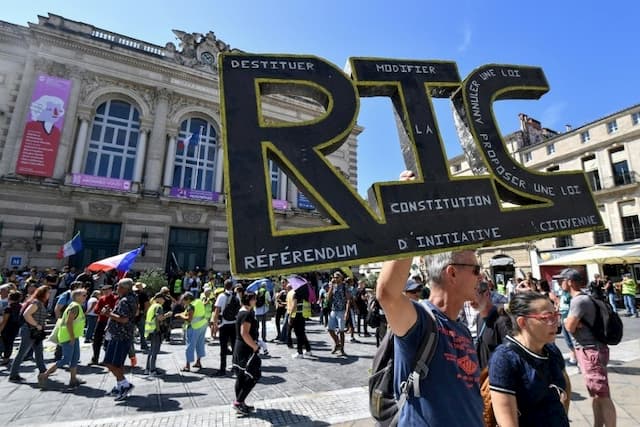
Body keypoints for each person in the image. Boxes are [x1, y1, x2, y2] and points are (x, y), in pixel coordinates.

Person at [489, 292, 570, 427]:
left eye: (556, 315)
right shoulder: (504, 359)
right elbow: (507, 420)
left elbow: (565, 386)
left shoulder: (551, 350)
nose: (555, 323)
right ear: (522, 322)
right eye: (547, 317)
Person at [563, 268, 617, 427]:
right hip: (595, 349)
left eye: (563, 280)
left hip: (589, 350)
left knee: (603, 395)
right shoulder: (587, 297)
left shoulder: (578, 301)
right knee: (596, 394)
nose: (561, 283)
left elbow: (569, 326)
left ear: (570, 282)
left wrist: (569, 323)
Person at [39, 289, 88, 388]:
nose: (85, 297)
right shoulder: (74, 307)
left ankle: (73, 379)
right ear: (77, 296)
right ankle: (44, 375)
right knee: (66, 359)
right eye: (84, 295)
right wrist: (71, 337)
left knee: (75, 358)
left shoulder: (76, 306)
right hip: (69, 337)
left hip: (73, 336)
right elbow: (69, 323)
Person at [100, 278, 138, 400]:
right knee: (117, 363)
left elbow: (124, 319)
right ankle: (120, 386)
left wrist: (108, 314)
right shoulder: (132, 298)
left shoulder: (125, 301)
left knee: (110, 362)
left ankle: (125, 384)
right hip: (124, 334)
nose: (116, 289)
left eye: (118, 287)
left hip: (119, 335)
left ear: (124, 288)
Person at [8, 285, 49, 382]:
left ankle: (43, 371)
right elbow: (26, 314)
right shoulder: (36, 303)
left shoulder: (38, 302)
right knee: (22, 352)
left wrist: (41, 323)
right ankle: (13, 375)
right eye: (48, 292)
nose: (49, 295)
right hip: (29, 331)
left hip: (34, 331)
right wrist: (37, 325)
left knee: (39, 351)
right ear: (43, 293)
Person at [232, 291, 261, 415]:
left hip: (240, 347)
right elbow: (245, 333)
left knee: (241, 376)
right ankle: (239, 402)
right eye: (254, 299)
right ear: (248, 300)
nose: (255, 301)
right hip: (246, 348)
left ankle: (240, 402)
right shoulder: (247, 314)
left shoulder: (242, 311)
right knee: (254, 374)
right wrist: (255, 347)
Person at [472, 281, 509, 369]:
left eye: (474, 296)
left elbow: (509, 354)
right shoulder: (478, 317)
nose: (470, 302)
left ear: (487, 294)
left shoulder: (502, 320)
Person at [212, 279, 238, 376]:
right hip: (234, 324)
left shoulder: (221, 296)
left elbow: (217, 311)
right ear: (232, 286)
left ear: (224, 286)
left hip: (224, 324)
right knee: (234, 346)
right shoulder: (236, 297)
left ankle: (222, 369)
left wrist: (215, 325)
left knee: (223, 348)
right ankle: (235, 367)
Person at [176, 292, 207, 371]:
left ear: (188, 299)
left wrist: (180, 315)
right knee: (200, 344)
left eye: (184, 300)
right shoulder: (198, 301)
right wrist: (183, 313)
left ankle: (187, 366)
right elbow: (190, 313)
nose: (183, 302)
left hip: (194, 327)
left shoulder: (191, 306)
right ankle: (198, 362)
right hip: (203, 325)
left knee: (190, 346)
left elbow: (189, 319)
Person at [144, 293, 172, 375]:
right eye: (163, 299)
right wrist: (167, 315)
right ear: (159, 298)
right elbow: (159, 318)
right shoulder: (158, 307)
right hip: (156, 331)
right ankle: (152, 370)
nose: (164, 301)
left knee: (151, 350)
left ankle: (147, 369)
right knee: (155, 351)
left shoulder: (152, 306)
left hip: (150, 330)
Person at [91, 284, 118, 364]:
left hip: (111, 322)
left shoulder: (115, 299)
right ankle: (95, 358)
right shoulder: (102, 299)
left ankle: (107, 360)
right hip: (101, 321)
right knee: (96, 340)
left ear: (111, 291)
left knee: (108, 341)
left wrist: (109, 312)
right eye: (104, 291)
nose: (105, 292)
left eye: (107, 291)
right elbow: (96, 310)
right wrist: (101, 312)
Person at [326, 271, 351, 357]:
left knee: (341, 331)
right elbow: (328, 298)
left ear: (341, 277)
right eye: (334, 277)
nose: (335, 279)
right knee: (330, 329)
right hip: (334, 310)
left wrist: (347, 312)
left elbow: (348, 300)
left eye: (337, 277)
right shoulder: (333, 286)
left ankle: (342, 349)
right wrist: (331, 287)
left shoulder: (344, 286)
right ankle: (337, 344)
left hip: (342, 310)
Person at [289, 281, 312, 359]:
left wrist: (290, 315)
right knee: (302, 333)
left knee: (298, 334)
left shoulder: (296, 294)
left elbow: (294, 306)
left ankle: (300, 352)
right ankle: (308, 350)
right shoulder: (305, 295)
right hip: (303, 315)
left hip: (296, 315)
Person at [557, 277, 577, 366]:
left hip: (569, 319)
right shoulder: (563, 293)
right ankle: (573, 358)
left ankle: (576, 358)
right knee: (568, 340)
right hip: (563, 318)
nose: (559, 283)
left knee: (573, 340)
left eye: (561, 282)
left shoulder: (571, 293)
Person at [0, 291, 23, 365]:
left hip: (7, 328)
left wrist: (0, 329)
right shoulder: (21, 306)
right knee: (10, 343)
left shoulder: (8, 308)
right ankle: (7, 357)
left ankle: (5, 358)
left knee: (4, 342)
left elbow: (5, 320)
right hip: (16, 327)